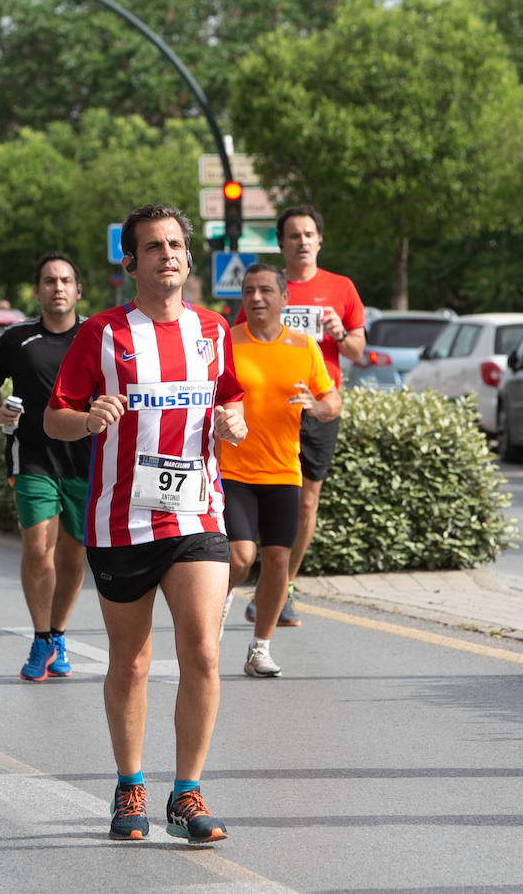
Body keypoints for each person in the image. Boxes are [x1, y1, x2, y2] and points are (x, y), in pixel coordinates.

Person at [44, 204, 246, 845]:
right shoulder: (101, 333)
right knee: (131, 664)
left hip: (196, 512)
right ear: (130, 262)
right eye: (154, 246)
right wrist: (88, 419)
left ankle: (187, 792)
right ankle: (129, 785)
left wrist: (234, 421)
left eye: (176, 245)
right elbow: (54, 417)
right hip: (120, 520)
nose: (168, 255)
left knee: (204, 652)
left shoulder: (212, 329)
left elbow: (231, 397)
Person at [237, 204, 365, 627]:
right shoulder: (265, 286)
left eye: (309, 234)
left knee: (308, 499)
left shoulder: (341, 287)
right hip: (267, 407)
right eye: (294, 235)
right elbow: (239, 340)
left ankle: (283, 584)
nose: (302, 242)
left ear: (320, 240)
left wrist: (339, 334)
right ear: (281, 243)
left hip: (316, 405)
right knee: (261, 496)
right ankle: (260, 574)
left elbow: (357, 350)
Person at [221, 264, 340, 678]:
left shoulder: (303, 346)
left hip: (283, 472)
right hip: (233, 469)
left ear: (284, 298)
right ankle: (218, 605)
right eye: (249, 290)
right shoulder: (227, 341)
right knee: (240, 557)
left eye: (266, 290)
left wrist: (317, 406)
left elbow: (332, 400)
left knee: (277, 561)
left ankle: (260, 649)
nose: (256, 298)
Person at [0, 252, 90, 681]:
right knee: (39, 547)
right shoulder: (16, 337)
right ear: (38, 290)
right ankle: (41, 636)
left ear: (78, 290)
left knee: (74, 553)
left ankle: (58, 633)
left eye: (65, 281)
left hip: (85, 457)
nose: (58, 288)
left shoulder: (97, 335)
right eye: (49, 281)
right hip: (32, 457)